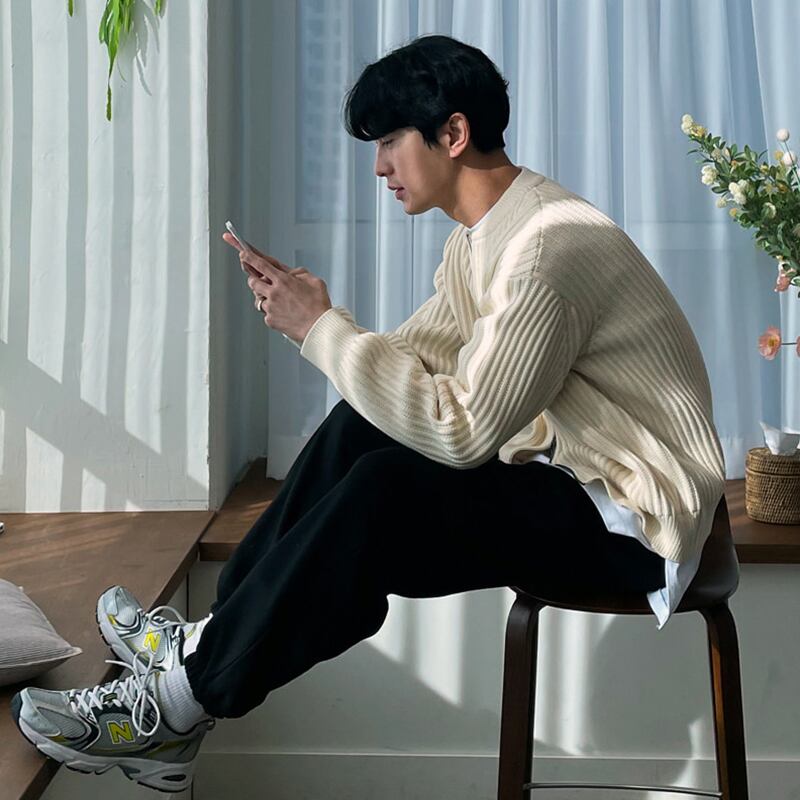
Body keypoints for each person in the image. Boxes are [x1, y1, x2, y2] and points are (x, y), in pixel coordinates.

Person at [10, 33, 727, 792]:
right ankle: (206, 643)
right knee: (364, 427)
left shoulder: (546, 249)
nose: (379, 166)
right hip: (573, 482)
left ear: (453, 134)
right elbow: (407, 373)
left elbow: (462, 431)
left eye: (389, 141)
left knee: (382, 493)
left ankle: (177, 707)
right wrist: (317, 319)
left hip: (635, 520)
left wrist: (322, 330)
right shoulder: (484, 240)